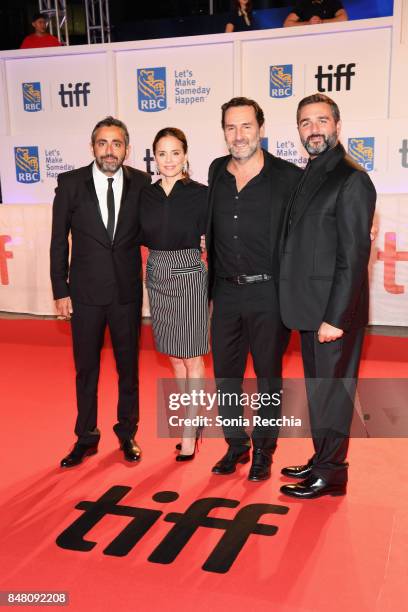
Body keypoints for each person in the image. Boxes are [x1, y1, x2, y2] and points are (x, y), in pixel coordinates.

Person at [279, 93, 376, 498]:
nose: (314, 129)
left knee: (334, 393)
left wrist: (336, 317)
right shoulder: (311, 171)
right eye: (305, 122)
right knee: (320, 390)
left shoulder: (352, 178)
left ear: (337, 125)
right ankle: (322, 458)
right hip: (310, 308)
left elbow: (353, 256)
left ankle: (332, 473)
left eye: (322, 121)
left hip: (334, 314)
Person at [206, 97, 302, 481]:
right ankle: (236, 444)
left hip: (268, 293)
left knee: (267, 377)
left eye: (246, 126)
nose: (239, 135)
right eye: (231, 127)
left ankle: (264, 448)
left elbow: (313, 219)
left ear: (261, 129)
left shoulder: (287, 177)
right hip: (225, 292)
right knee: (226, 376)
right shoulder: (216, 171)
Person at [50, 117, 151, 467]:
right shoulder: (70, 183)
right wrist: (60, 289)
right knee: (86, 369)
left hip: (126, 292)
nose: (110, 151)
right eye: (103, 143)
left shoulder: (141, 181)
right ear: (92, 147)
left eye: (117, 143)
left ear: (127, 148)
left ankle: (127, 432)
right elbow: (57, 241)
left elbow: (151, 230)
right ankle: (86, 436)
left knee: (129, 369)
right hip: (85, 293)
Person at [140, 128, 209, 461]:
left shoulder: (201, 194)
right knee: (174, 355)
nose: (169, 160)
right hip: (157, 273)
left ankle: (188, 433)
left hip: (189, 273)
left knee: (193, 356)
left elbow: (217, 234)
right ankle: (191, 420)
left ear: (186, 155)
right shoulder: (145, 195)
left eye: (175, 153)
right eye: (162, 154)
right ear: (155, 157)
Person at [283, 0, 348, 27]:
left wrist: (321, 22)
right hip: (308, 37)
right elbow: (287, 23)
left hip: (331, 34)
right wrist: (308, 23)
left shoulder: (332, 1)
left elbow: (344, 18)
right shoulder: (303, 3)